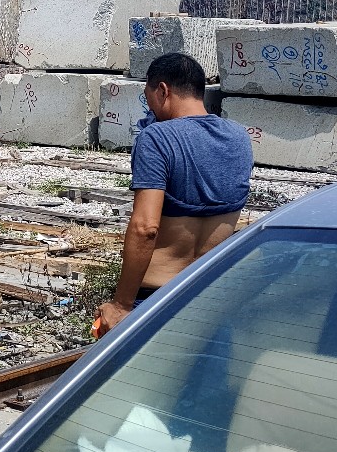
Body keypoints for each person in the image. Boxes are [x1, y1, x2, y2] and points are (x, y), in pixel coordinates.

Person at [95, 52, 253, 335]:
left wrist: (121, 304)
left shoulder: (157, 138)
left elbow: (146, 228)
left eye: (148, 97)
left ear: (162, 90)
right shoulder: (239, 137)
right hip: (209, 296)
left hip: (156, 298)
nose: (150, 108)